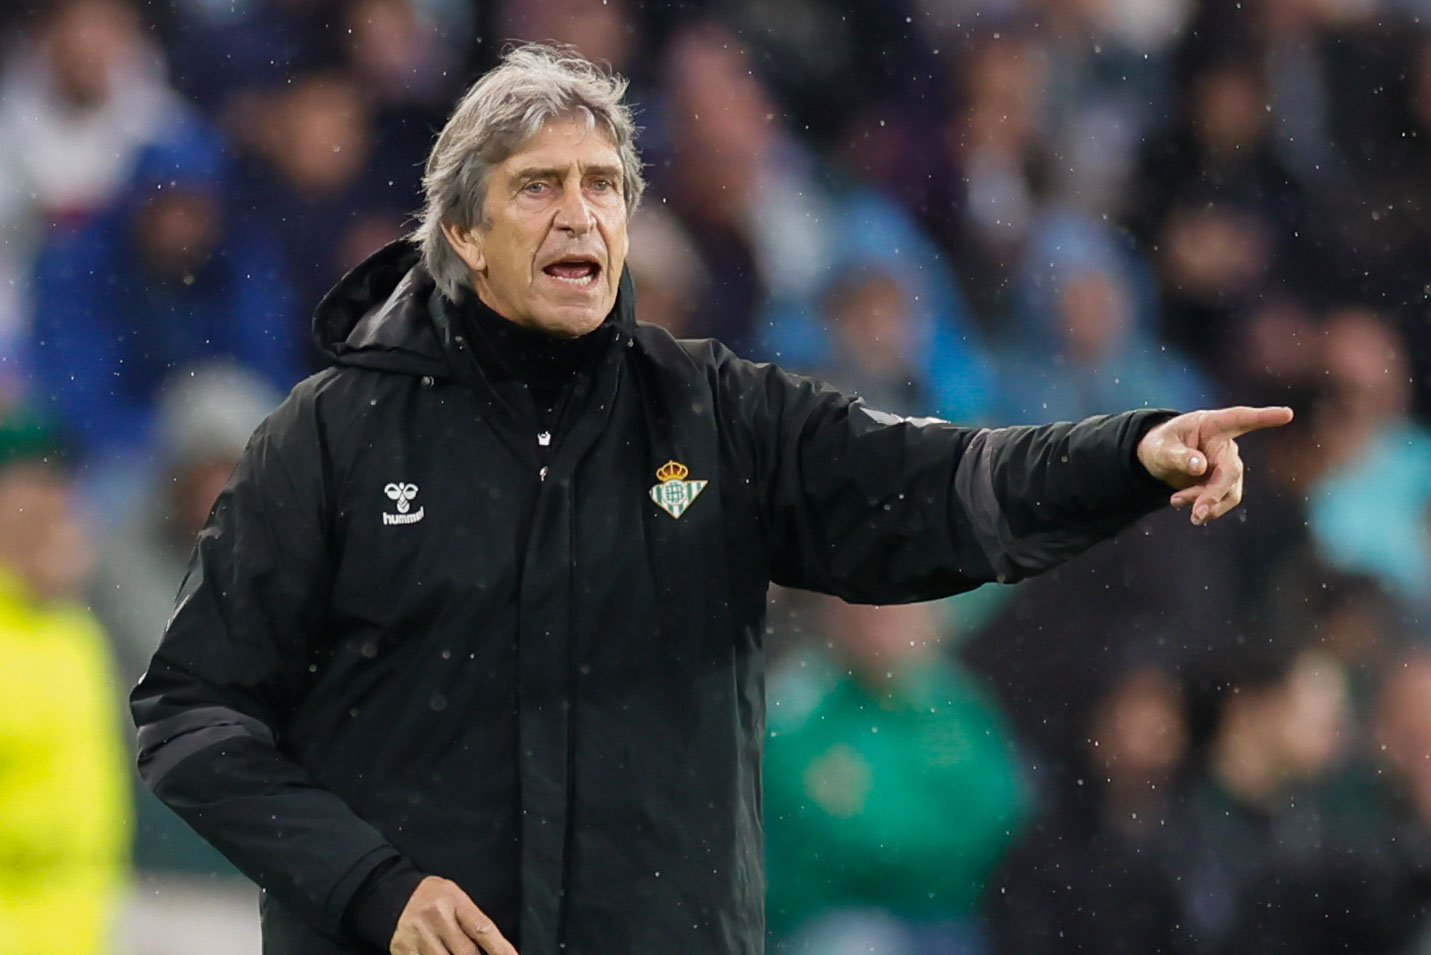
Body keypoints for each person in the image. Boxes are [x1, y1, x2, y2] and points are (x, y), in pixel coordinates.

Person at [131, 44, 1293, 955]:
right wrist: (370, 888)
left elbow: (937, 485)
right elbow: (195, 717)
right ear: (464, 236)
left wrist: (1129, 453)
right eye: (537, 187)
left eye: (603, 187)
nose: (580, 214)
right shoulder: (326, 439)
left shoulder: (718, 416)